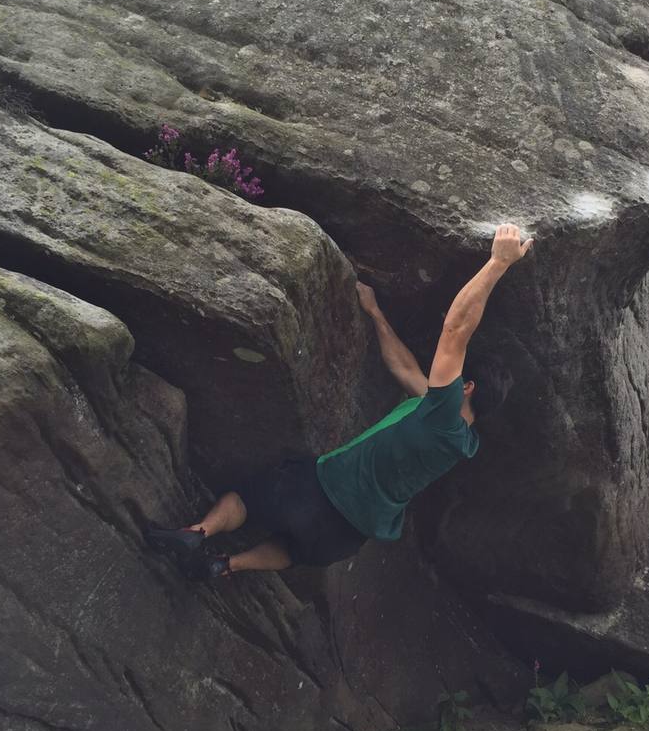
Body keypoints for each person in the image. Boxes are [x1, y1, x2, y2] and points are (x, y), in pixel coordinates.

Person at [147, 224, 532, 579]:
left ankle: (196, 534)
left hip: (324, 487)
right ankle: (224, 566)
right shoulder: (459, 438)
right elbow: (404, 369)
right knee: (292, 550)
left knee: (246, 498)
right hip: (349, 534)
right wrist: (375, 313)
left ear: (467, 388)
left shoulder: (443, 412)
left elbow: (456, 330)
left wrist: (498, 262)